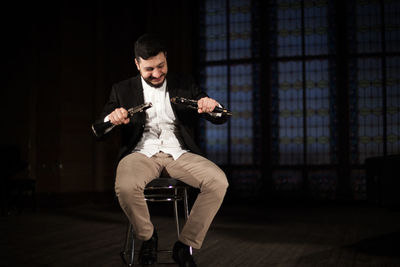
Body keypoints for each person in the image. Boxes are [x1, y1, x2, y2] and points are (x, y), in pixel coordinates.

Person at [94, 33, 229, 267]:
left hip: (179, 153)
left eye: (161, 66)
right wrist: (112, 118)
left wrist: (211, 106)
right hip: (140, 153)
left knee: (218, 182)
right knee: (125, 187)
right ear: (137, 64)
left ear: (166, 58)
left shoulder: (184, 83)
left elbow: (220, 117)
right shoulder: (122, 89)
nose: (156, 74)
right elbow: (98, 129)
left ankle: (184, 246)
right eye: (148, 69)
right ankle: (148, 237)